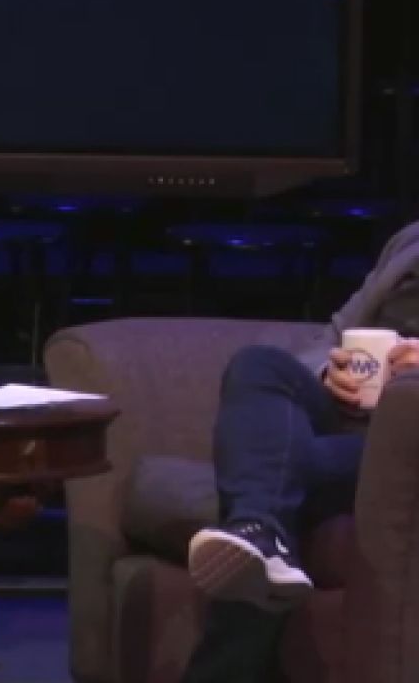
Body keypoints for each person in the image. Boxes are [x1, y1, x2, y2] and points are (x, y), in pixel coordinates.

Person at [179, 226, 419, 683]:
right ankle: (258, 533)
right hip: (347, 422)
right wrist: (331, 371)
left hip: (407, 450)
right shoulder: (410, 241)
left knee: (269, 472)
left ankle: (259, 521)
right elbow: (333, 335)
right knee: (258, 365)